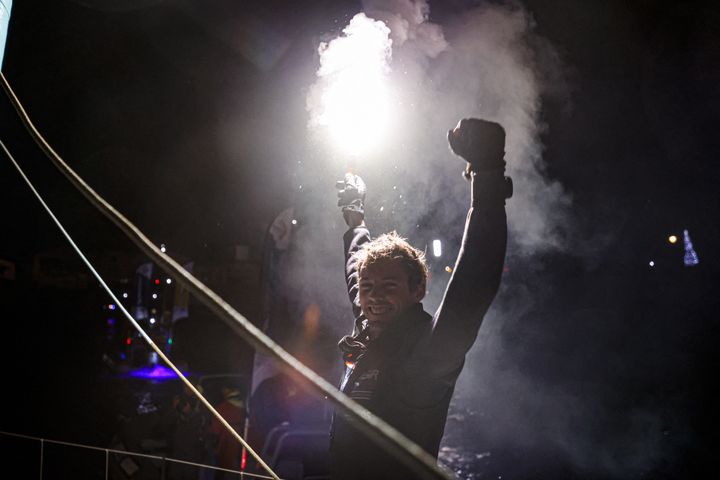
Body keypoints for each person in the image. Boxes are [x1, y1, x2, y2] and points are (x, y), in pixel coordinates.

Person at [329, 118, 513, 479]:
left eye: (389, 287)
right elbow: (357, 273)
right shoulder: (370, 329)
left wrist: (488, 174)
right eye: (369, 289)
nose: (374, 297)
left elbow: (473, 282)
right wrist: (355, 219)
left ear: (418, 291)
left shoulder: (428, 352)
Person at [208, 385, 246, 479]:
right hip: (244, 449)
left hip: (226, 447)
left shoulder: (222, 407)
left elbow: (215, 430)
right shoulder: (246, 406)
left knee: (222, 473)